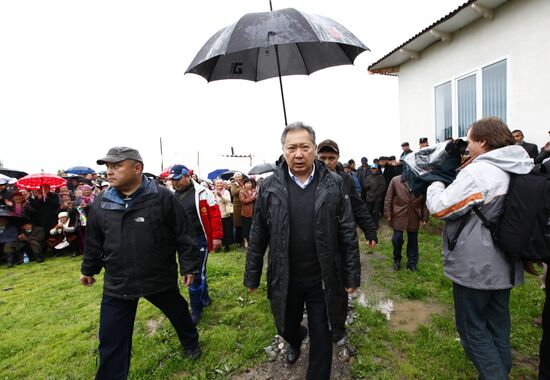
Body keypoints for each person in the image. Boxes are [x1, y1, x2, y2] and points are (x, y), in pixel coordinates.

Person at [245, 122, 360, 380]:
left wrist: (352, 276)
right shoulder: (270, 186)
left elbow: (347, 232)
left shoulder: (333, 184)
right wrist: (251, 275)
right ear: (284, 151)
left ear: (314, 149)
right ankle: (295, 339)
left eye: (304, 147)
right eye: (292, 148)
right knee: (285, 325)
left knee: (323, 333)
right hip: (286, 278)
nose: (298, 154)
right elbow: (258, 233)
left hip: (322, 277)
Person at [80, 147, 203, 379]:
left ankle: (190, 341)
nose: (109, 171)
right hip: (118, 282)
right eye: (107, 167)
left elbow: (183, 234)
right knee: (111, 339)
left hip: (158, 277)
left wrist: (189, 265)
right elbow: (94, 241)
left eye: (116, 166)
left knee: (178, 314)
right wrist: (89, 269)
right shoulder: (101, 203)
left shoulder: (162, 197)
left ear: (137, 168)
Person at [426, 118, 533, 379]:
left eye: (470, 140)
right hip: (506, 263)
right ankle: (498, 371)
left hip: (476, 268)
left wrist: (436, 183)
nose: (468, 146)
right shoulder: (521, 166)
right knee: (498, 326)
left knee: (473, 331)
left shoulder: (480, 172)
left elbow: (441, 208)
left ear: (483, 143)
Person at [168, 164, 223, 325]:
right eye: (172, 180)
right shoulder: (171, 195)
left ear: (187, 176)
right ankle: (204, 298)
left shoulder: (203, 193)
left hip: (199, 238)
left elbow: (215, 215)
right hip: (180, 240)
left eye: (177, 179)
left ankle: (196, 309)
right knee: (197, 273)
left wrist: (217, 237)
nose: (174, 183)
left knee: (195, 274)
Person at [384, 175, 429, 271]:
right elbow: (389, 197)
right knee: (397, 239)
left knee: (413, 240)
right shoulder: (395, 180)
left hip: (414, 214)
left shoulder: (422, 181)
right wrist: (387, 212)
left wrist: (425, 216)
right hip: (399, 213)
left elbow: (425, 201)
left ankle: (412, 263)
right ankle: (397, 258)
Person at [213, 178, 233, 252]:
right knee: (217, 231)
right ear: (215, 185)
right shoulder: (213, 192)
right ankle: (218, 246)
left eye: (221, 183)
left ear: (223, 184)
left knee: (226, 230)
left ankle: (226, 246)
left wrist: (221, 196)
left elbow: (228, 201)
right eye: (217, 183)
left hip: (225, 214)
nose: (219, 185)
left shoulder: (226, 192)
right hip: (216, 215)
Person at [364, 164, 386, 229]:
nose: (373, 170)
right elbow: (364, 186)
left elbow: (382, 187)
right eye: (372, 168)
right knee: (369, 212)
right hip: (369, 198)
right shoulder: (368, 177)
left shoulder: (381, 177)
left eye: (374, 168)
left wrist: (376, 194)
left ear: (377, 169)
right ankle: (370, 224)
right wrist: (369, 185)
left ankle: (376, 225)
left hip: (377, 198)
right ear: (371, 169)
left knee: (376, 213)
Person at [239, 178, 257, 249]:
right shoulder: (242, 191)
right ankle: (246, 241)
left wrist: (256, 197)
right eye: (247, 183)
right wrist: (253, 197)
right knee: (246, 227)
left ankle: (253, 241)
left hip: (255, 211)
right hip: (246, 212)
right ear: (244, 184)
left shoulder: (254, 190)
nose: (249, 184)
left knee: (254, 227)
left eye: (250, 183)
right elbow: (244, 201)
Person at [230, 173, 244, 246]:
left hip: (243, 205)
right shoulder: (233, 184)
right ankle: (238, 241)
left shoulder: (242, 183)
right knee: (237, 224)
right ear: (235, 178)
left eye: (239, 177)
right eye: (237, 177)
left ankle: (243, 240)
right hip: (237, 206)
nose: (238, 178)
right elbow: (234, 193)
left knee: (243, 223)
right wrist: (242, 188)